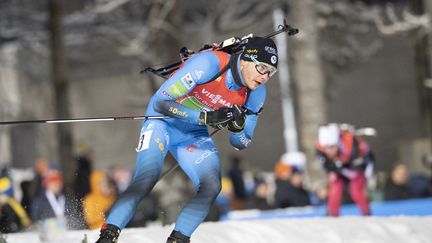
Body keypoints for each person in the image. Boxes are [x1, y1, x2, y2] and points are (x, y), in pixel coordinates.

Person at [95, 36, 278, 243]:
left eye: (271, 72)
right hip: (162, 123)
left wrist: (237, 128)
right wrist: (204, 117)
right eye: (262, 68)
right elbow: (160, 103)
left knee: (211, 186)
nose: (265, 77)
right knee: (147, 178)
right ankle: (107, 236)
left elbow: (241, 142)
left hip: (192, 133)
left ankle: (178, 240)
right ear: (245, 60)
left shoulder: (256, 92)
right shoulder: (210, 64)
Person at [316, 123, 374, 216]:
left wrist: (345, 169)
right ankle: (332, 215)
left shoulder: (351, 144)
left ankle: (366, 213)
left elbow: (364, 161)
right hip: (339, 169)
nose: (329, 151)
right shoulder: (321, 147)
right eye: (326, 148)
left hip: (355, 168)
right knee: (335, 188)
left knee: (356, 190)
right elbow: (326, 165)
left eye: (331, 147)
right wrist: (334, 170)